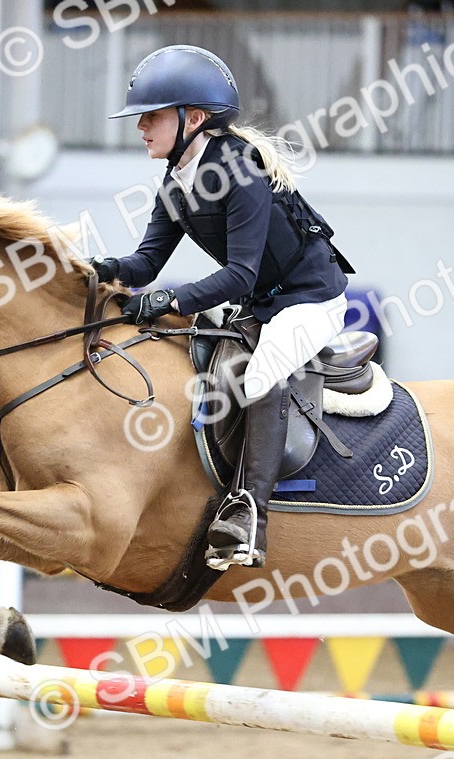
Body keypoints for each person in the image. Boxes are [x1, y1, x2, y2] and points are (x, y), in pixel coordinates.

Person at [92, 45, 353, 570]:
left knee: (258, 379)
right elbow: (145, 263)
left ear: (193, 118)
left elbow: (240, 275)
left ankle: (248, 515)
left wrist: (167, 300)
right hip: (262, 302)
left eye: (152, 116)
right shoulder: (177, 179)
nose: (140, 126)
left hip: (310, 300)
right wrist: (94, 270)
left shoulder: (239, 173)